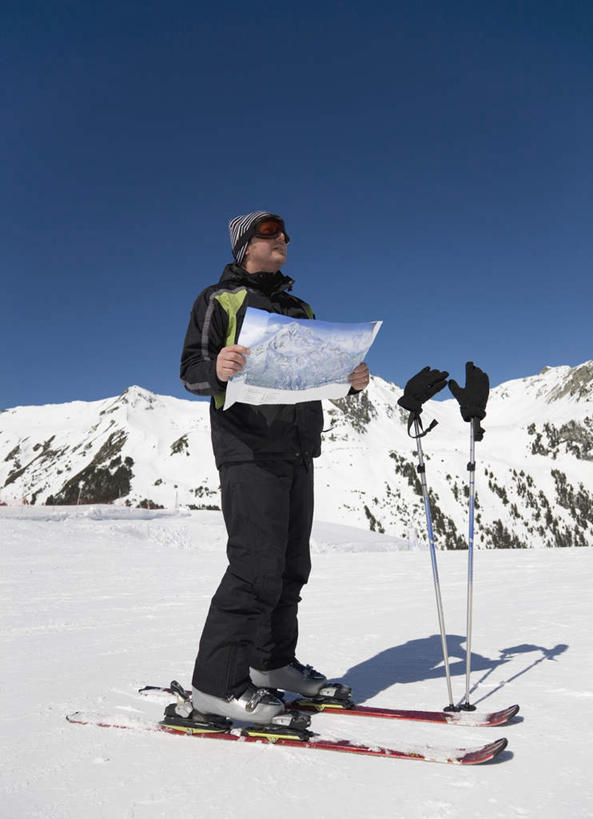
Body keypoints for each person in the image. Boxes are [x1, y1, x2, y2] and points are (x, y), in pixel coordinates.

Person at [179, 210, 370, 724]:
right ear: (245, 246)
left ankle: (271, 664)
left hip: (296, 449)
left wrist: (348, 379)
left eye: (283, 234)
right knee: (254, 568)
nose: (281, 239)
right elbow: (191, 371)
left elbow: (315, 377)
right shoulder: (219, 300)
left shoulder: (298, 308)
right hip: (248, 449)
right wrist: (216, 369)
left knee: (289, 568)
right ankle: (216, 686)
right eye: (268, 234)